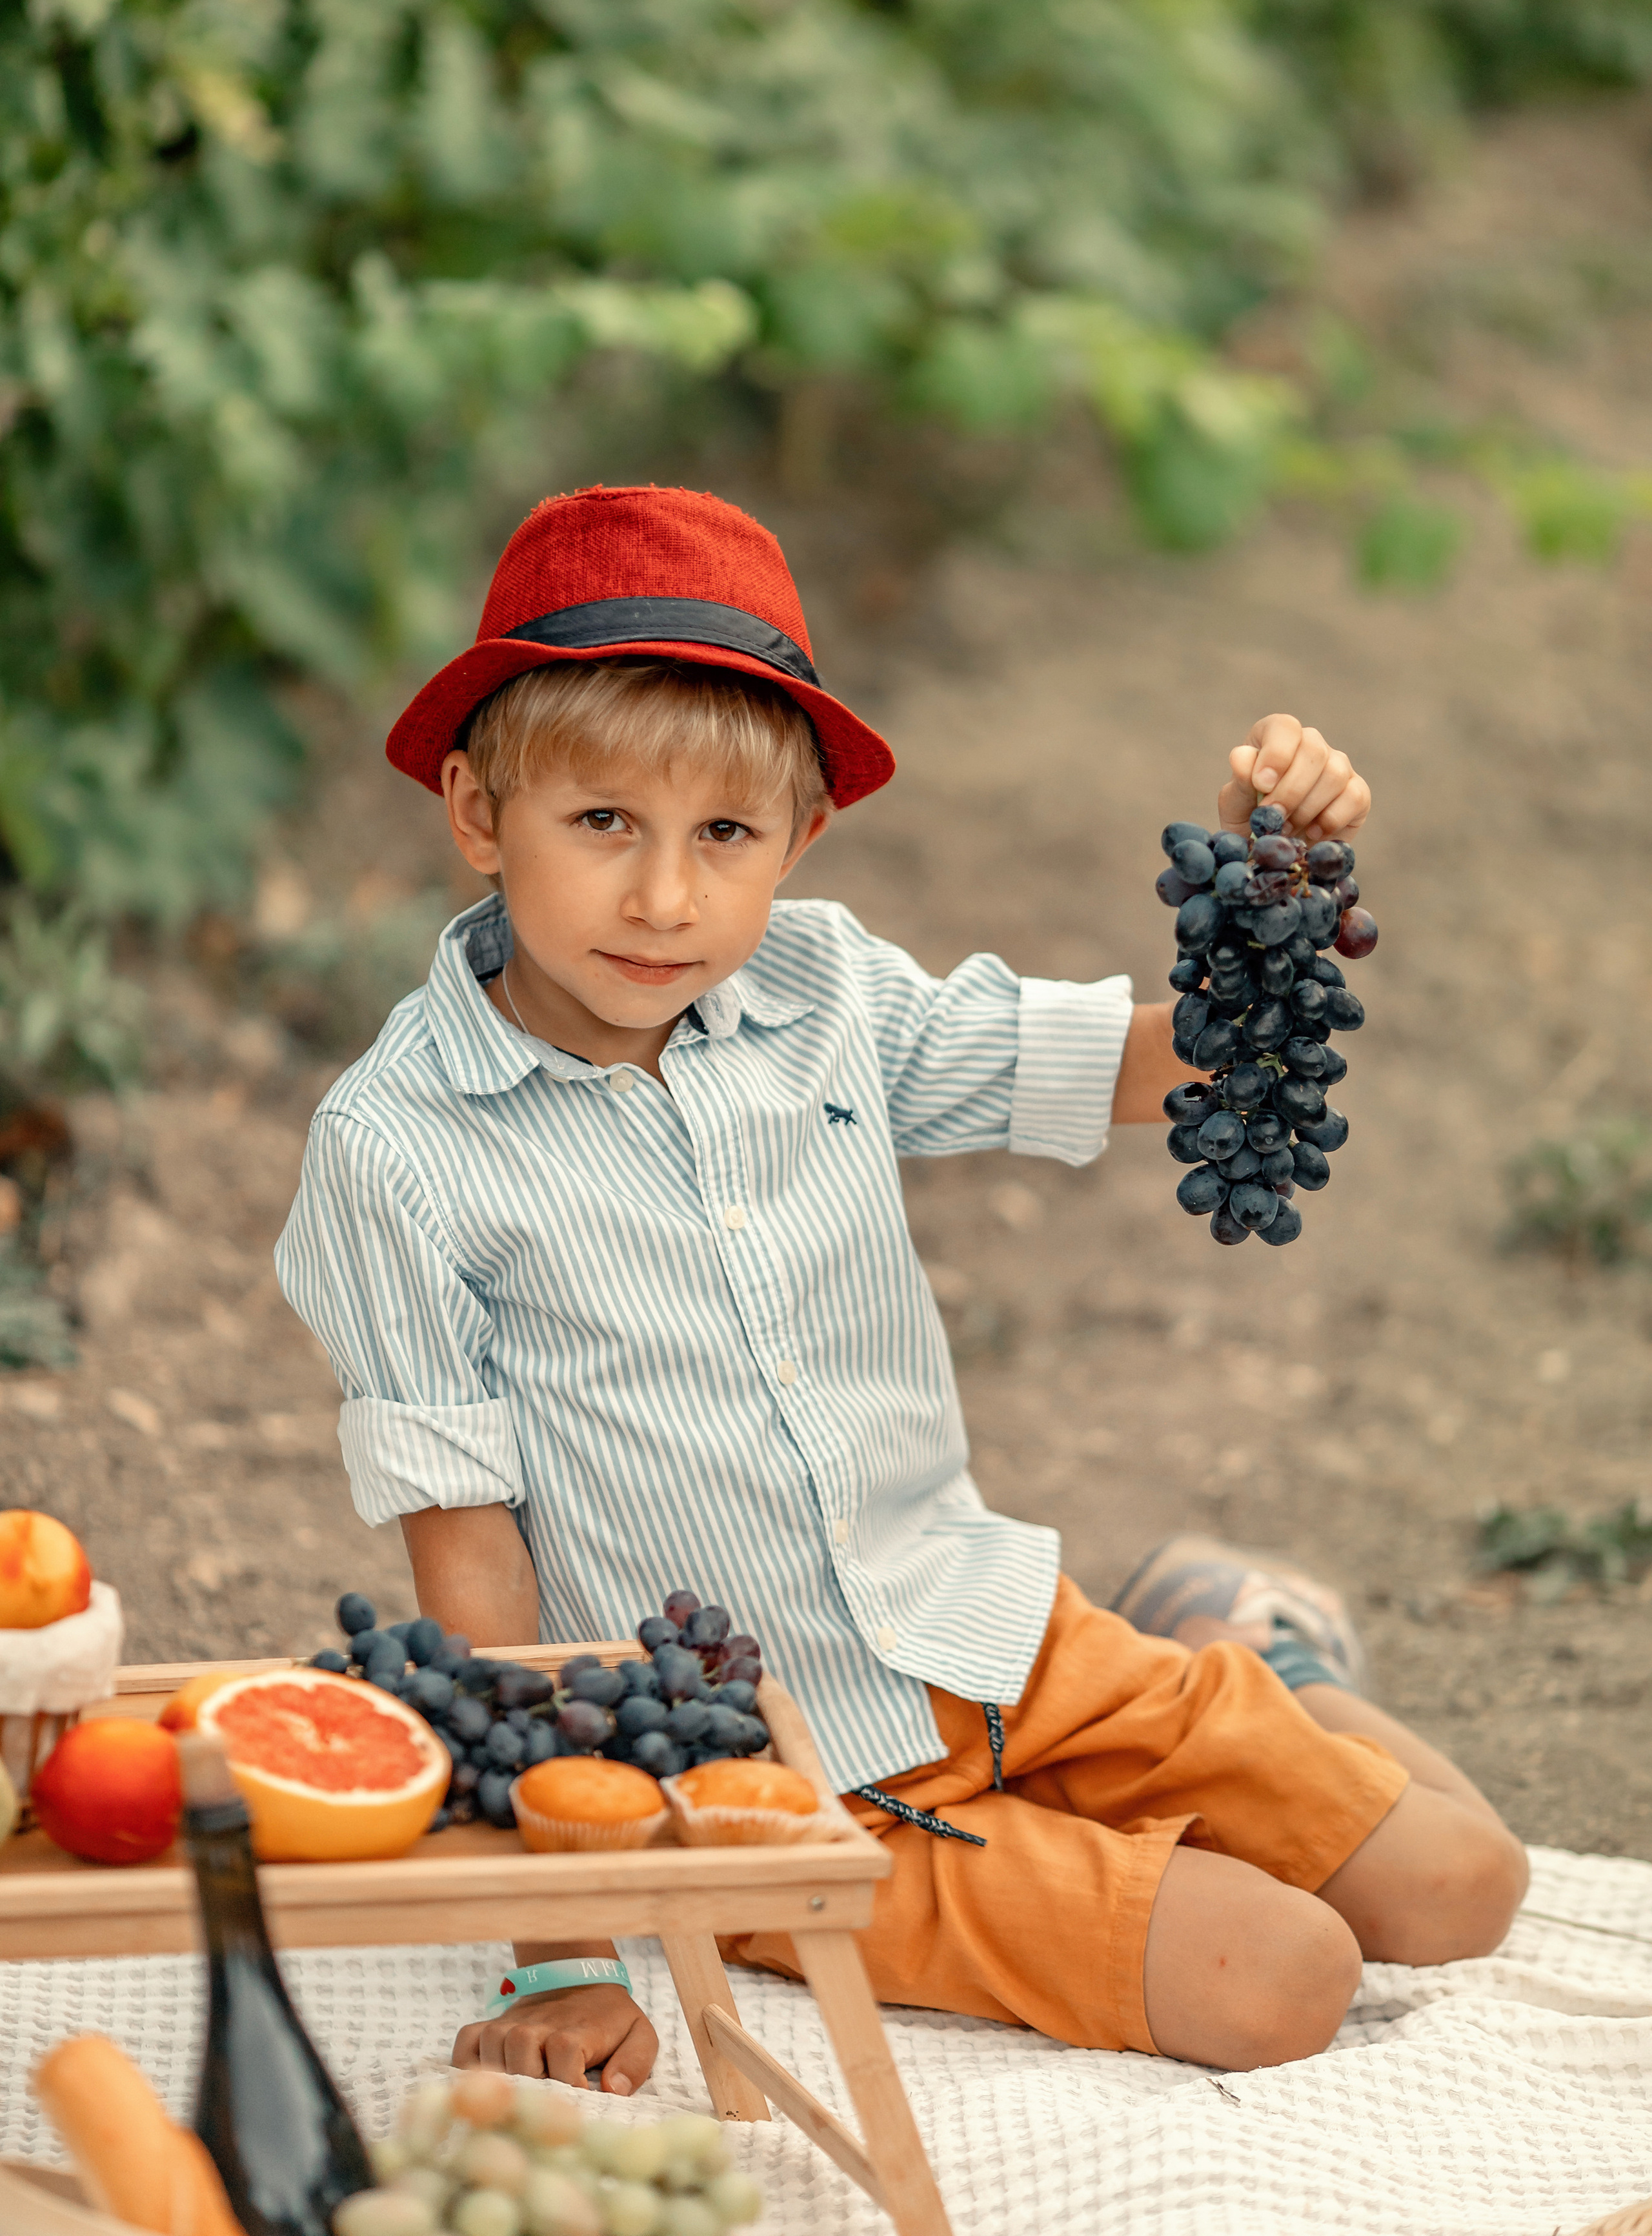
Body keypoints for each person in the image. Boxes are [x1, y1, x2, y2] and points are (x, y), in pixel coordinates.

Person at [276, 483, 1527, 2097]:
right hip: (779, 1770)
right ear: (476, 810)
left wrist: (1270, 873)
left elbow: (1158, 1066)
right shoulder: (396, 1150)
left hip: (993, 1633)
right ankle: (1203, 1703)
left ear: (798, 839)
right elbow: (472, 1567)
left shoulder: (826, 992)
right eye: (601, 824)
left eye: (724, 836)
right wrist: (566, 1950)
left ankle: (1261, 1661)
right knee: (1283, 1978)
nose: (663, 900)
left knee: (1466, 1891)